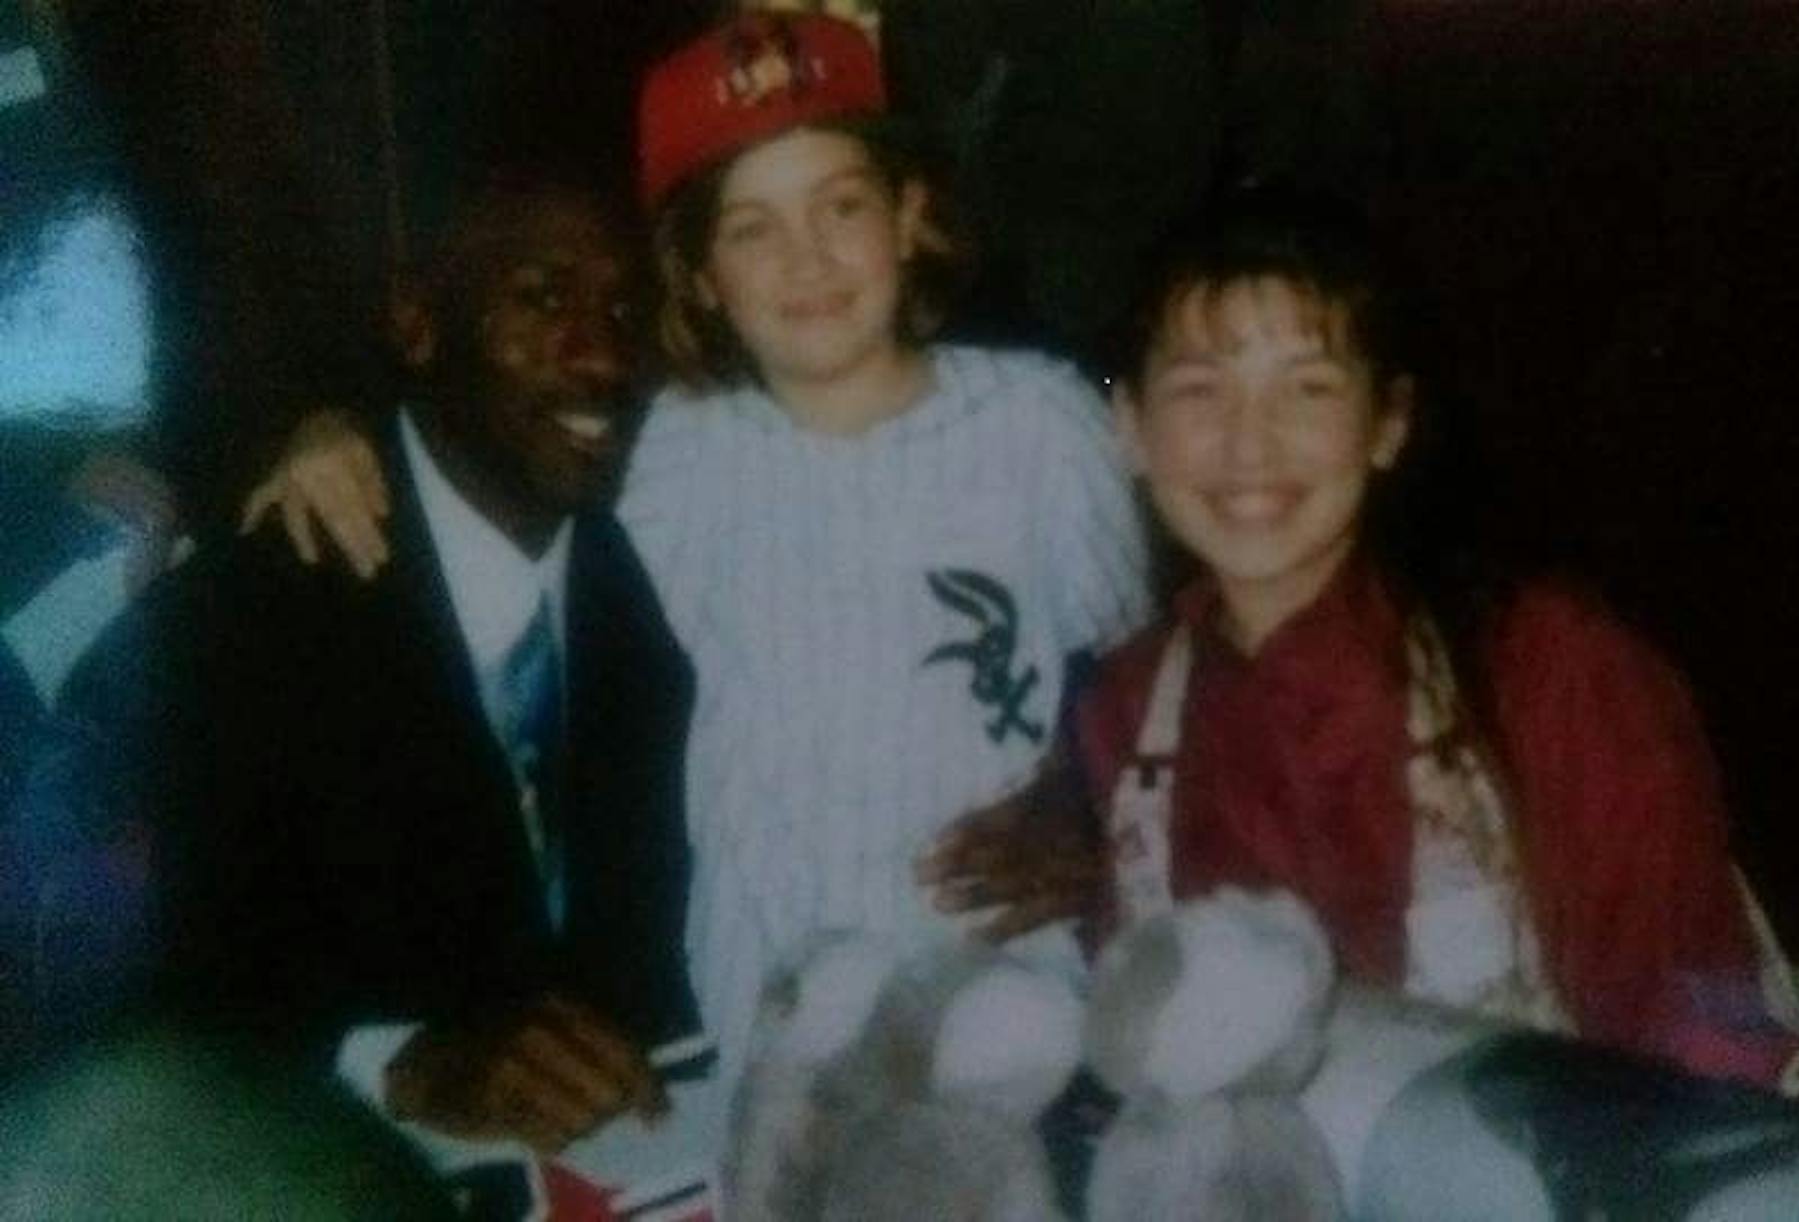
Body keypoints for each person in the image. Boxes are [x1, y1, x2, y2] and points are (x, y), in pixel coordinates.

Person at [237, 10, 1152, 1130]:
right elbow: (489, 457)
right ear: (703, 276)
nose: (806, 259)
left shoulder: (1045, 424)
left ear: (911, 213)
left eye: (843, 206)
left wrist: (1092, 794)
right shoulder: (666, 451)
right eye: (753, 229)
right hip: (756, 1033)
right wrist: (322, 429)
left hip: (1013, 1002)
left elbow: (1144, 682)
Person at [1078, 192, 1799, 1074]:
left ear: (1387, 424)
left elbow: (1695, 1022)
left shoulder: (1544, 663)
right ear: (1129, 426)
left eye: (1308, 388)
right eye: (1201, 389)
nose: (1251, 446)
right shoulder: (1121, 710)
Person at [92, 166, 698, 1155]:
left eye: (628, 309)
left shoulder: (656, 578)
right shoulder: (251, 614)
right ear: (418, 324)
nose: (602, 357)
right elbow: (159, 986)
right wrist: (402, 1064)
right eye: (543, 299)